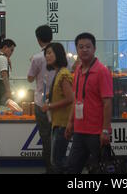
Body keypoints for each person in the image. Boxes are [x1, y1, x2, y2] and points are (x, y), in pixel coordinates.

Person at [65, 32, 113, 174]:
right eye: (81, 47)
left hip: (97, 133)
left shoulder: (102, 71)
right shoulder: (78, 70)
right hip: (79, 130)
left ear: (94, 48)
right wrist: (70, 122)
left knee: (99, 169)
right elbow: (76, 99)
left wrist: (105, 130)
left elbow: (108, 103)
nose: (84, 50)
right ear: (77, 50)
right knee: (72, 168)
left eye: (88, 46)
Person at [41, 43, 73, 173]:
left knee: (57, 161)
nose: (47, 56)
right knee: (57, 159)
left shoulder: (63, 73)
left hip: (62, 123)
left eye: (50, 53)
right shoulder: (58, 72)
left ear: (58, 54)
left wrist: (50, 106)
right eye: (46, 53)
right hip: (58, 122)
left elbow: (70, 98)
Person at [27, 25, 55, 174]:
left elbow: (30, 78)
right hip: (59, 103)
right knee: (58, 135)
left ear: (38, 39)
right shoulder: (62, 54)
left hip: (41, 102)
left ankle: (50, 168)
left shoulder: (37, 57)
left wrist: (32, 61)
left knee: (45, 137)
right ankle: (58, 165)